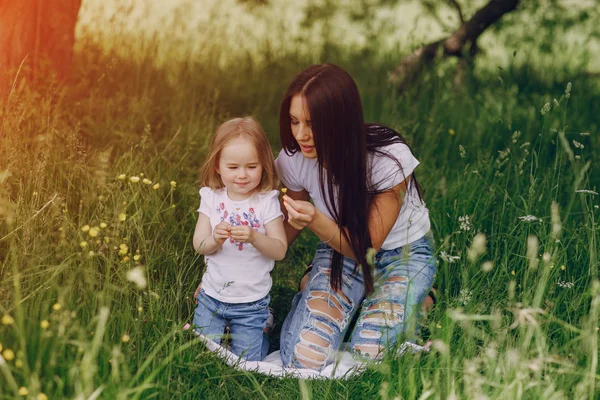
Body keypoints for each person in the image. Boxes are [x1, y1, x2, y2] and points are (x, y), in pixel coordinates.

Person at [275, 64, 436, 370]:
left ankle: (420, 297)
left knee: (369, 355)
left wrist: (315, 219)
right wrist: (228, 274)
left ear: (340, 120)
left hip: (401, 253)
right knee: (305, 357)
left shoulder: (387, 157)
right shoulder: (294, 158)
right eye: (294, 121)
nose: (300, 135)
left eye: (312, 123)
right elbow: (278, 236)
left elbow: (366, 248)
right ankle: (346, 295)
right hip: (338, 251)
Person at [192, 117, 288, 361]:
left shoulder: (266, 201)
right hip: (212, 298)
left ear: (264, 164)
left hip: (251, 303)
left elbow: (279, 250)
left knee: (248, 362)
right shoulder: (212, 198)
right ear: (217, 166)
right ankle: (217, 331)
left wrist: (255, 237)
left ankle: (264, 326)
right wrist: (214, 240)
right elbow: (199, 244)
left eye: (252, 167)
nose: (242, 175)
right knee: (204, 357)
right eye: (233, 167)